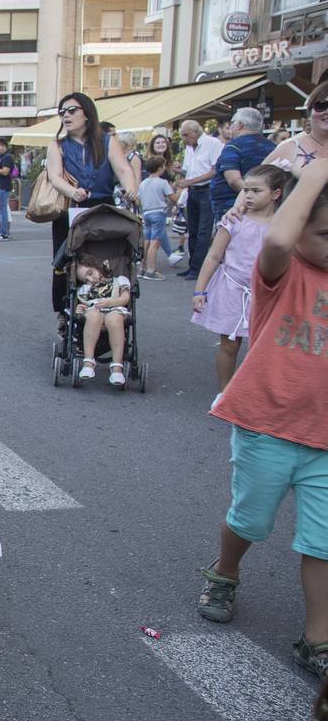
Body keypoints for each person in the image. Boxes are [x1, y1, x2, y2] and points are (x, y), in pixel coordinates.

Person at [196, 155, 328, 684]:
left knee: (323, 541)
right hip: (266, 423)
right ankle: (225, 571)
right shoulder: (284, 271)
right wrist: (316, 172)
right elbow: (275, 242)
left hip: (323, 436)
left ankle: (317, 636)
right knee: (251, 519)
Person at [191, 165, 286, 391]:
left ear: (276, 194)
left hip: (267, 294)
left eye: (256, 191)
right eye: (246, 190)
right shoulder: (234, 220)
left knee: (262, 349)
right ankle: (224, 393)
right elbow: (213, 256)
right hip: (232, 289)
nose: (248, 195)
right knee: (229, 346)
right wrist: (199, 290)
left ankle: (255, 394)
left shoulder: (283, 225)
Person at [45, 93, 138, 312]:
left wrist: (131, 188)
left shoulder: (107, 141)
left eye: (71, 110)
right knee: (64, 262)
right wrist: (73, 191)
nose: (66, 116)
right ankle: (63, 311)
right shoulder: (57, 145)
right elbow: (55, 176)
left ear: (86, 113)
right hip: (71, 209)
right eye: (62, 112)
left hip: (102, 209)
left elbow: (123, 168)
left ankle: (110, 303)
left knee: (107, 258)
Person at [174, 119, 224, 280]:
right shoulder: (190, 147)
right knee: (193, 230)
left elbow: (215, 170)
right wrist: (180, 172)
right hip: (193, 191)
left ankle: (198, 267)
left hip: (206, 190)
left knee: (203, 230)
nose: (184, 139)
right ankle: (193, 265)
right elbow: (190, 170)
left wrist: (189, 181)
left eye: (186, 135)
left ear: (196, 132)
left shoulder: (213, 143)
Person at [73, 254, 132, 387]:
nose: (90, 279)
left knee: (114, 318)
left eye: (90, 273)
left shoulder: (119, 280)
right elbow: (86, 305)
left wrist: (111, 302)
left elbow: (125, 298)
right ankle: (88, 361)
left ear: (97, 266)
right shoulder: (84, 289)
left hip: (114, 308)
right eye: (85, 279)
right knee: (93, 315)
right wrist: (80, 308)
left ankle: (117, 366)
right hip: (94, 313)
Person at [211, 108, 275, 224]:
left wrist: (253, 197)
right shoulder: (273, 147)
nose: (230, 127)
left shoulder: (233, 146)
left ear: (239, 125)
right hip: (266, 207)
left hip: (234, 208)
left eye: (232, 123)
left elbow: (234, 181)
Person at [264, 79, 328, 177]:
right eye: (321, 105)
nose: (327, 111)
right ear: (309, 112)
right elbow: (254, 187)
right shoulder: (291, 147)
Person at [138, 155, 181, 280]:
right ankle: (152, 270)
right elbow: (174, 198)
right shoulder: (163, 183)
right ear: (160, 168)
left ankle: (143, 268)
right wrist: (178, 190)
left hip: (146, 213)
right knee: (154, 243)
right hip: (158, 213)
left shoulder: (143, 183)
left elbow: (138, 200)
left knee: (146, 241)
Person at [0, 138, 16, 240]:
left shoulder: (7, 157)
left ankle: (4, 231)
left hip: (3, 186)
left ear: (4, 146)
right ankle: (0, 229)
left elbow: (5, 172)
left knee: (2, 209)